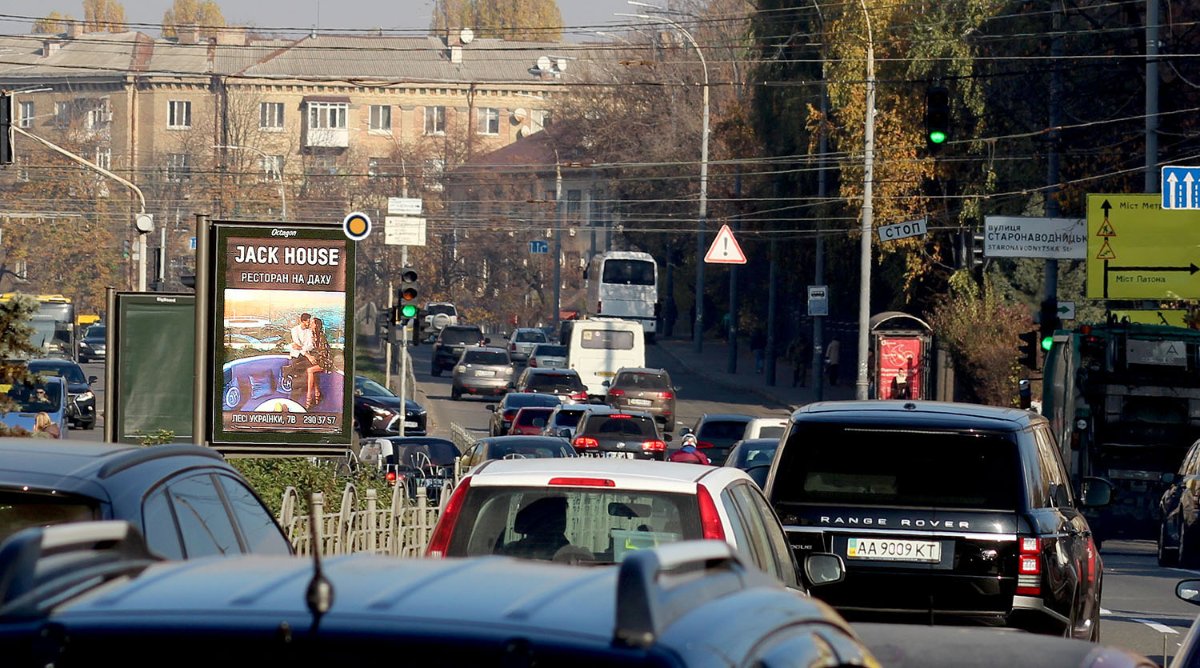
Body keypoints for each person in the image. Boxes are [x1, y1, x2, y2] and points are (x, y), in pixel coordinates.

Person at [304, 317, 336, 409]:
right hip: (320, 360)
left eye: (312, 323)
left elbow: (323, 353)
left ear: (316, 325)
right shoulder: (313, 335)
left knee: (310, 371)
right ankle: (317, 394)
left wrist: (314, 358)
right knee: (313, 374)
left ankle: (309, 397)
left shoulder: (321, 336)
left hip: (325, 361)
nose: (310, 324)